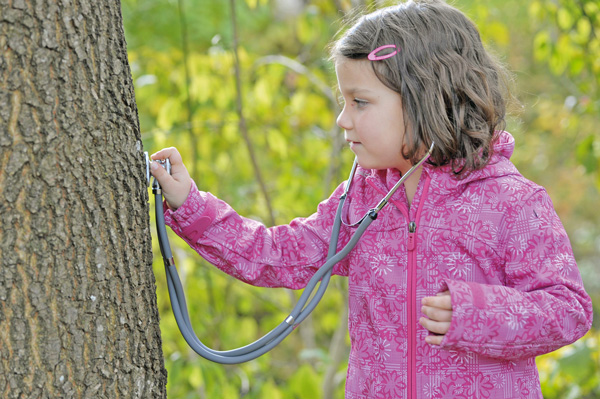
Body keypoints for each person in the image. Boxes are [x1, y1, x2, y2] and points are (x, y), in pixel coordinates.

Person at [150, 1, 593, 397]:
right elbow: (278, 255)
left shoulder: (512, 202)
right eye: (344, 101)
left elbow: (568, 309)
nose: (343, 119)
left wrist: (475, 313)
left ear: (427, 98)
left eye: (360, 102)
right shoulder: (361, 197)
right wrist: (188, 204)